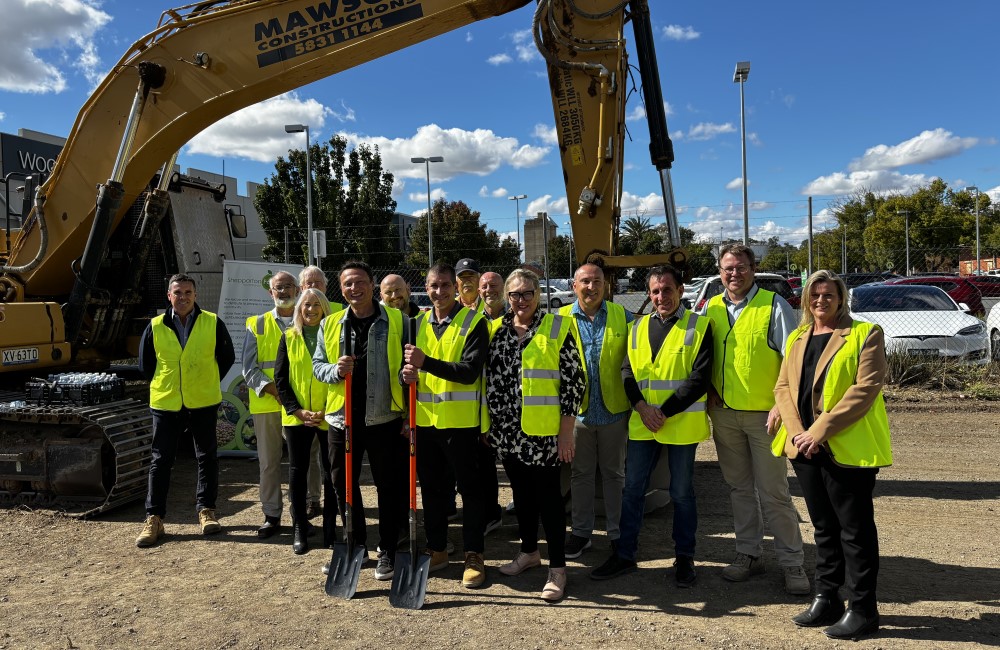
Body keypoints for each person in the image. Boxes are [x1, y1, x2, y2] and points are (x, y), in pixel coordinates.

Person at [773, 270, 892, 641]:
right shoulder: (796, 336)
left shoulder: (864, 334)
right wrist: (797, 433)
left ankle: (863, 609)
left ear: (841, 298)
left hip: (845, 448)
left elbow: (865, 389)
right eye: (814, 295)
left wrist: (818, 432)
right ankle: (827, 597)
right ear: (806, 300)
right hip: (804, 447)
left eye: (828, 295)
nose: (821, 301)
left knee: (854, 531)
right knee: (823, 527)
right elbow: (782, 387)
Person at [590, 266, 712, 587]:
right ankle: (625, 554)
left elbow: (699, 378)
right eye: (655, 292)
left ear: (681, 290)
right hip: (643, 423)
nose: (661, 297)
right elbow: (627, 372)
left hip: (680, 424)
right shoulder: (637, 327)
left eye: (667, 290)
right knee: (632, 490)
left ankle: (685, 557)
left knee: (682, 494)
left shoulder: (699, 326)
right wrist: (642, 408)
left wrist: (664, 411)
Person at [700, 244, 809, 595]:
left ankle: (793, 563)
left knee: (774, 491)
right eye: (728, 268)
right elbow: (700, 358)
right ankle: (748, 553)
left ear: (753, 268)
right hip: (725, 414)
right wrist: (708, 390)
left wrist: (783, 405)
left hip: (767, 417)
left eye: (741, 267)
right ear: (719, 271)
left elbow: (794, 361)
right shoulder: (710, 308)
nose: (734, 274)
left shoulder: (773, 306)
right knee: (739, 489)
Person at [485, 268, 585, 602]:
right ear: (507, 297)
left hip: (544, 434)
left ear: (538, 294)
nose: (521, 300)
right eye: (515, 294)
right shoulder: (497, 331)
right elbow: (491, 380)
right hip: (509, 433)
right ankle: (529, 552)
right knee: (521, 496)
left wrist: (566, 433)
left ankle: (557, 568)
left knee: (549, 501)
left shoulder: (558, 327)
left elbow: (574, 382)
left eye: (528, 293)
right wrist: (492, 427)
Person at [313, 260, 410, 581]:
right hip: (342, 421)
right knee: (343, 487)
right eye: (347, 284)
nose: (354, 289)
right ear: (340, 289)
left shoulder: (398, 321)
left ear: (372, 283)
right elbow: (318, 366)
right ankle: (355, 546)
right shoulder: (331, 325)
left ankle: (387, 550)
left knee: (389, 487)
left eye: (360, 282)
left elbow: (409, 367)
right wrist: (335, 370)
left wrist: (409, 413)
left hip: (385, 418)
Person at [401, 263, 490, 588]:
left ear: (455, 287)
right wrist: (405, 374)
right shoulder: (416, 324)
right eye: (432, 286)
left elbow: (469, 372)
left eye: (444, 285)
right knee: (434, 491)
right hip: (424, 422)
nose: (438, 292)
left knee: (470, 491)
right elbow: (407, 368)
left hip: (461, 424)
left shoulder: (474, 322)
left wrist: (426, 364)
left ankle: (474, 555)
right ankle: (437, 548)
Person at [136, 273, 235, 547]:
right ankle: (154, 518)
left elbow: (227, 358)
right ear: (169, 296)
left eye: (188, 292)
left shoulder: (212, 323)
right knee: (161, 461)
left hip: (203, 400)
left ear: (195, 295)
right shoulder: (155, 326)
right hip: (166, 402)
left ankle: (206, 512)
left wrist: (204, 381)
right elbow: (145, 366)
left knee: (207, 457)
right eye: (177, 292)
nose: (183, 297)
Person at [558, 263, 633, 560]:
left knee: (615, 475)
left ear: (606, 285)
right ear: (574, 286)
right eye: (585, 282)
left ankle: (617, 533)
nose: (592, 287)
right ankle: (581, 533)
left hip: (614, 411)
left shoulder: (622, 316)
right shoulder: (559, 319)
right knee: (581, 475)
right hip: (577, 414)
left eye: (597, 281)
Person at [274, 288, 336, 554]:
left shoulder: (335, 336)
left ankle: (332, 530)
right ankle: (299, 526)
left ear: (324, 309)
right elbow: (280, 380)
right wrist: (297, 411)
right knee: (297, 472)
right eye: (305, 305)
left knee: (331, 474)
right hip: (297, 417)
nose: (310, 310)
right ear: (299, 309)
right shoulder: (288, 337)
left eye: (316, 305)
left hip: (329, 415)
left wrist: (327, 410)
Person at [242, 271, 298, 538]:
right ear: (270, 292)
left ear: (297, 289)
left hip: (299, 403)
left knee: (305, 460)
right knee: (268, 463)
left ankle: (307, 508)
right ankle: (272, 514)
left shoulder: (308, 319)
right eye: (278, 287)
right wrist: (274, 389)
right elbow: (248, 369)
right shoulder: (257, 324)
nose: (284, 291)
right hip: (268, 403)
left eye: (288, 286)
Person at [299, 265, 342, 519]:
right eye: (308, 284)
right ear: (301, 288)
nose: (313, 287)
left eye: (318, 282)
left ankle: (335, 506)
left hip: (333, 405)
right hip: (303, 408)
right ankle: (312, 500)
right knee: (307, 461)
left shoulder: (339, 314)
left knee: (332, 463)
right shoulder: (296, 319)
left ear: (326, 286)